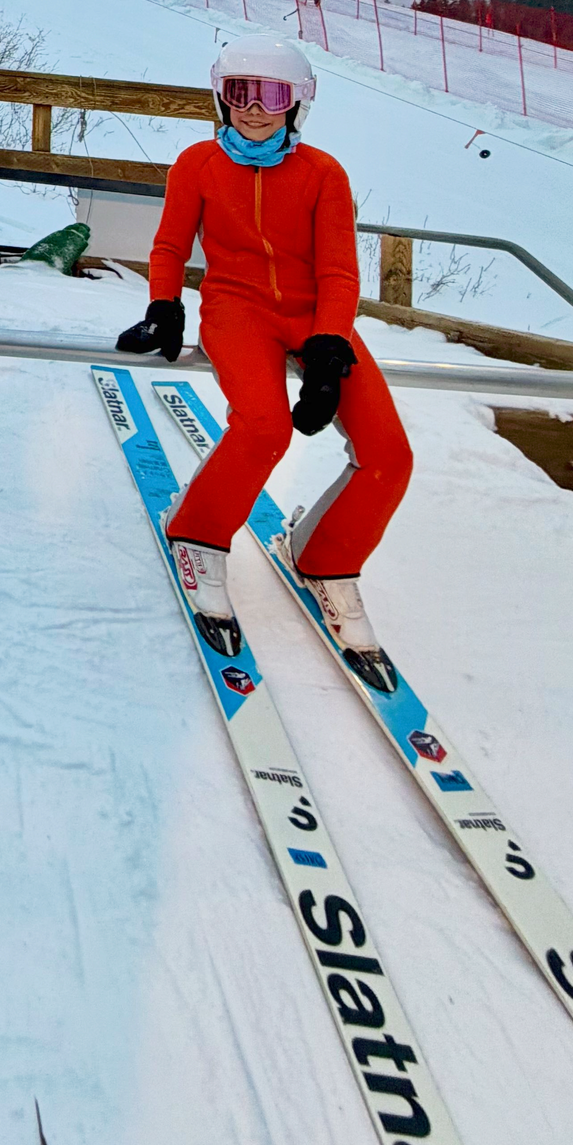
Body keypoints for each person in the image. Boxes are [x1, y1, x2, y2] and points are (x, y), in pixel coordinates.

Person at [114, 37, 410, 692]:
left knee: (390, 452)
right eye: (241, 92)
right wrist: (165, 306)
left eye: (272, 95)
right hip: (237, 309)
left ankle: (325, 557)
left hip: (314, 317)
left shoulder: (324, 174)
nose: (254, 109)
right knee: (263, 427)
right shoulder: (196, 164)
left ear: (296, 104)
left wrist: (330, 347)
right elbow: (169, 243)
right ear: (222, 96)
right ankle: (198, 531)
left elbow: (337, 268)